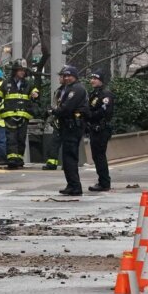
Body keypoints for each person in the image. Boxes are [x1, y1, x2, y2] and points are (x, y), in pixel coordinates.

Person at [52, 65, 88, 197]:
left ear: (75, 76)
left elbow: (67, 108)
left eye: (69, 76)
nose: (66, 78)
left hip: (73, 126)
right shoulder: (67, 89)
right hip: (67, 126)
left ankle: (75, 186)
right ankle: (71, 185)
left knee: (70, 158)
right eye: (64, 76)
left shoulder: (76, 89)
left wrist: (54, 112)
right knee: (67, 158)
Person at [86, 71, 115, 192]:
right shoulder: (94, 94)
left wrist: (90, 115)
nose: (92, 81)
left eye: (95, 78)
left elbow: (104, 111)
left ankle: (104, 182)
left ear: (101, 80)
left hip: (101, 128)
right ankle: (102, 181)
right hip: (94, 128)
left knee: (99, 156)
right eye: (91, 78)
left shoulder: (105, 94)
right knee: (96, 156)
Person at [1, 63, 34, 167]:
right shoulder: (6, 84)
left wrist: (35, 95)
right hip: (10, 116)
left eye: (24, 70)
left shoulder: (28, 84)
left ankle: (19, 159)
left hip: (24, 117)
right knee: (11, 138)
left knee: (21, 138)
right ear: (15, 71)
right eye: (20, 70)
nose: (22, 72)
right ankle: (12, 160)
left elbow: (35, 94)